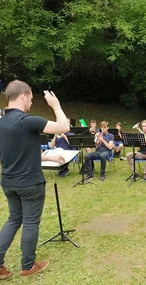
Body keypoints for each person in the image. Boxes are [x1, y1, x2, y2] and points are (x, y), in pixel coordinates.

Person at [0, 80, 70, 279]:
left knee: (14, 219)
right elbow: (63, 126)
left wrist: (48, 156)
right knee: (30, 222)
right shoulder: (27, 120)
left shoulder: (2, 122)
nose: (31, 101)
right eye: (31, 97)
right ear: (23, 95)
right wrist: (55, 106)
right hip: (30, 183)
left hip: (8, 182)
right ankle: (28, 265)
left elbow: (16, 151)